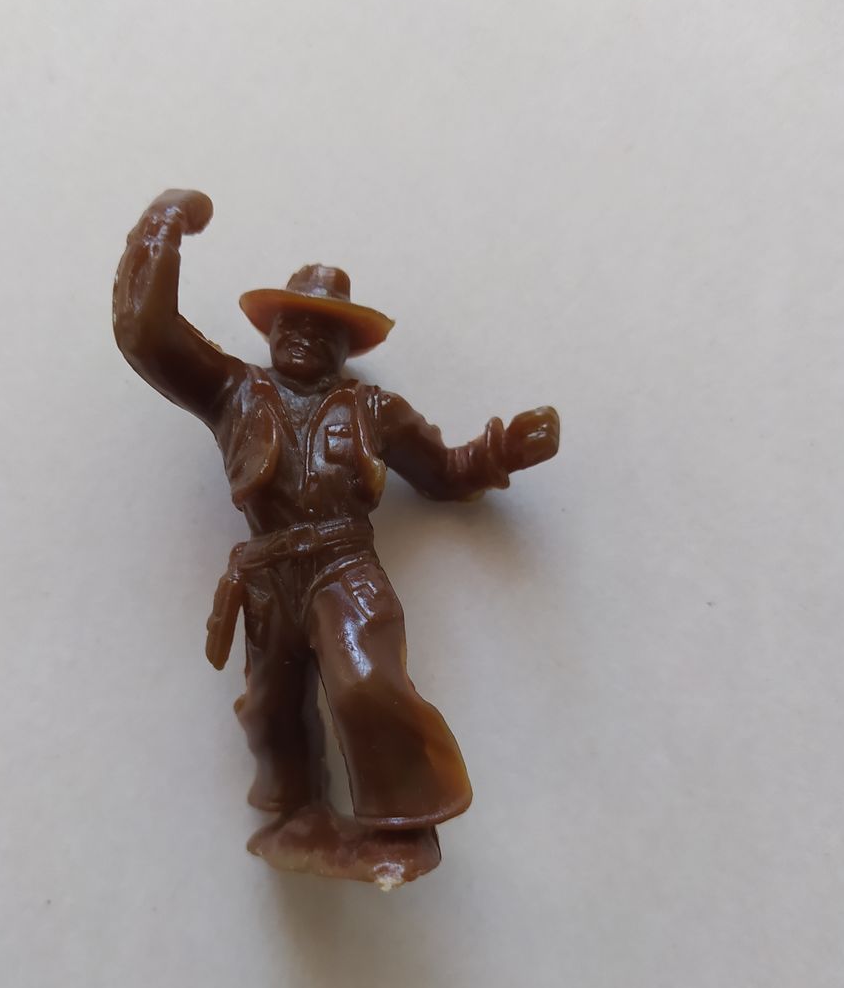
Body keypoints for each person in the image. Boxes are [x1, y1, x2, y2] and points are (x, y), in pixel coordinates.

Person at [113, 189, 560, 886]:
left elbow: (444, 472)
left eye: (324, 329)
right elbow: (150, 337)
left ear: (348, 347)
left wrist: (501, 452)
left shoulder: (373, 409)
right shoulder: (233, 391)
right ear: (270, 332)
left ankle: (402, 823)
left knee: (365, 681)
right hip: (267, 576)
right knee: (271, 708)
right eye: (291, 322)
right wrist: (159, 233)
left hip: (342, 565)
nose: (303, 336)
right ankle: (293, 817)